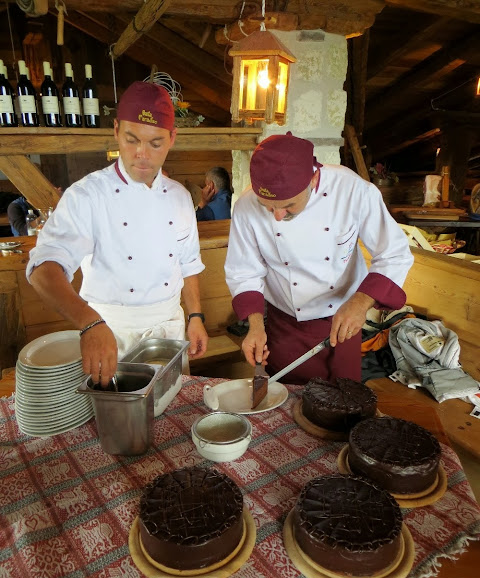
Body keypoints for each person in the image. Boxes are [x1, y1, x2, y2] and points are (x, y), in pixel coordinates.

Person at [27, 81, 208, 388]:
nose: (142, 154)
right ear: (115, 131)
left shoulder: (180, 197)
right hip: (110, 334)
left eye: (155, 143)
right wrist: (89, 322)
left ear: (172, 138)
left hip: (169, 331)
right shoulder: (86, 196)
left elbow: (188, 264)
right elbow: (43, 270)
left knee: (174, 411)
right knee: (117, 422)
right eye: (131, 139)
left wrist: (195, 317)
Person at [224, 132, 414, 385]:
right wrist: (255, 326)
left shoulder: (353, 191)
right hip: (285, 324)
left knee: (344, 397)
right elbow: (243, 272)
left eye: (289, 206)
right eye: (268, 207)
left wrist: (360, 303)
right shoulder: (245, 206)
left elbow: (394, 253)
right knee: (286, 400)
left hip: (343, 318)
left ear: (313, 179)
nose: (278, 216)